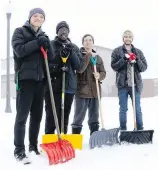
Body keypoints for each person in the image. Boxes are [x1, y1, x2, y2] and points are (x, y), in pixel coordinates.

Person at [12, 8, 53, 162]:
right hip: (25, 80)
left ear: (43, 20)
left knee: (37, 117)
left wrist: (48, 47)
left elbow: (49, 59)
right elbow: (19, 50)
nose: (38, 18)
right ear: (30, 18)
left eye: (41, 16)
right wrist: (37, 43)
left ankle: (33, 147)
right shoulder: (20, 32)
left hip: (40, 81)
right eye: (35, 16)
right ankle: (19, 150)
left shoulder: (44, 36)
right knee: (22, 117)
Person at [45, 21, 83, 134]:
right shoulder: (51, 45)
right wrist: (57, 67)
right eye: (61, 29)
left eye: (65, 29)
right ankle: (50, 137)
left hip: (69, 86)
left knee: (65, 115)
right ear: (57, 32)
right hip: (54, 86)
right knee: (51, 115)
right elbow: (46, 63)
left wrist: (71, 53)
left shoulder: (74, 47)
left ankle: (63, 137)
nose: (63, 31)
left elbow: (78, 66)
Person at [111, 30, 147, 130]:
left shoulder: (138, 52)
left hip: (135, 85)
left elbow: (144, 68)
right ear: (123, 38)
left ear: (132, 39)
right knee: (123, 109)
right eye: (126, 36)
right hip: (122, 85)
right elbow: (114, 66)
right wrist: (124, 59)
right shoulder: (117, 51)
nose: (127, 38)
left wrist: (136, 60)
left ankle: (140, 129)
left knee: (137, 109)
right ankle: (123, 129)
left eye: (129, 37)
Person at [71, 34, 106, 135]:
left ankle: (94, 136)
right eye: (85, 40)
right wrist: (88, 55)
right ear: (82, 43)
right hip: (82, 90)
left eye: (90, 40)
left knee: (94, 115)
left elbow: (103, 72)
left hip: (95, 91)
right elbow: (79, 70)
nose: (88, 42)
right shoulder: (78, 55)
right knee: (79, 115)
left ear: (93, 42)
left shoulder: (98, 58)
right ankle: (76, 136)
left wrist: (99, 75)